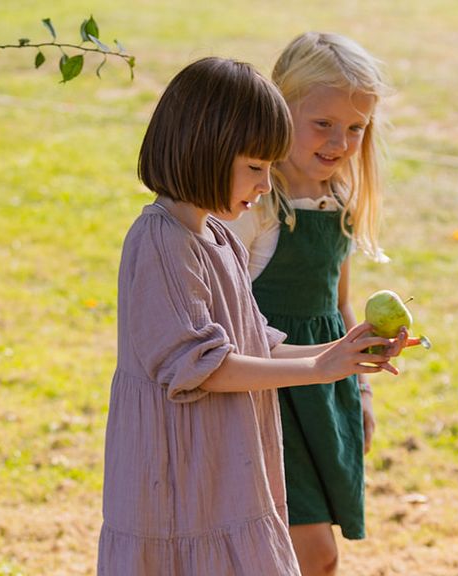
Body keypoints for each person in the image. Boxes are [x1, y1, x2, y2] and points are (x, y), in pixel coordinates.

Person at [97, 56, 404, 575]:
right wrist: (314, 370)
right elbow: (202, 366)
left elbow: (252, 341)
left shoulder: (215, 237)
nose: (266, 185)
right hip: (178, 480)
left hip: (221, 467)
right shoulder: (160, 243)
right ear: (204, 152)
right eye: (256, 168)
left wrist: (339, 355)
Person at [223, 32, 400, 576]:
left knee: (309, 558)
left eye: (355, 128)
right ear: (281, 109)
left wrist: (362, 388)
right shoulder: (256, 205)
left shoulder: (339, 201)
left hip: (324, 393)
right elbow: (225, 313)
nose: (340, 141)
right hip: (267, 392)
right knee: (310, 555)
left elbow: (340, 303)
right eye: (322, 123)